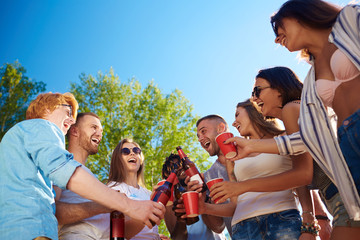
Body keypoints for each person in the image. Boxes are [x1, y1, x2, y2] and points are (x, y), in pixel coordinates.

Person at [0, 92, 165, 240]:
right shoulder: (42, 130)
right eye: (68, 112)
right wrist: (123, 204)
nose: (71, 120)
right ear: (48, 108)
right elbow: (55, 201)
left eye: (101, 130)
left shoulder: (90, 179)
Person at [225, 66, 358, 239]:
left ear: (279, 89)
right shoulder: (298, 110)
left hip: (345, 194)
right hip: (337, 196)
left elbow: (302, 174)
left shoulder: (290, 108)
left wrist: (241, 186)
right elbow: (300, 164)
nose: (254, 98)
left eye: (258, 90)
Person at [271, 0, 360, 222]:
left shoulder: (350, 19)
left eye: (278, 26)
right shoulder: (311, 81)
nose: (276, 37)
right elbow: (310, 139)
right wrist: (250, 147)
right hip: (346, 146)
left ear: (298, 14)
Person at [201, 99, 302, 239]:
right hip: (242, 228)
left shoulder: (284, 138)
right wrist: (205, 208)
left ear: (253, 111)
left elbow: (302, 180)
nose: (234, 122)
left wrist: (311, 219)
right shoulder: (234, 155)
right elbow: (235, 205)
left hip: (282, 218)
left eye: (237, 115)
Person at [55, 112, 111, 239]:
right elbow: (52, 210)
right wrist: (102, 206)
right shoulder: (60, 162)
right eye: (94, 127)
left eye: (101, 130)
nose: (100, 134)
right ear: (75, 131)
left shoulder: (91, 176)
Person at [162, 153, 226, 240]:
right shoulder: (170, 203)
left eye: (180, 163)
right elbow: (177, 238)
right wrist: (182, 217)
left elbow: (218, 228)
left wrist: (202, 199)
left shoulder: (206, 187)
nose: (179, 167)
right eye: (174, 167)